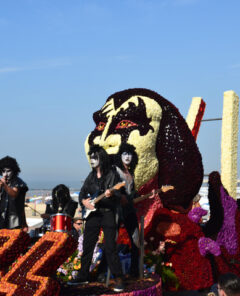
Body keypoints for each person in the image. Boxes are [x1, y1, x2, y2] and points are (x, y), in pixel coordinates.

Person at [67, 145, 124, 292]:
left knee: (110, 247)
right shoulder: (91, 176)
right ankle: (83, 275)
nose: (92, 160)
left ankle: (118, 278)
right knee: (88, 245)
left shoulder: (112, 174)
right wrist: (84, 202)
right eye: (91, 157)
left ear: (101, 158)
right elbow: (82, 194)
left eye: (95, 157)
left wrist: (112, 194)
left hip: (107, 213)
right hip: (92, 215)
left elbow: (119, 195)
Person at [114, 143, 140, 278]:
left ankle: (134, 271)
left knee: (136, 239)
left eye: (130, 154)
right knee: (112, 241)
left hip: (129, 210)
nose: (127, 156)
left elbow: (132, 194)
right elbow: (111, 189)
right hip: (117, 210)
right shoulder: (115, 170)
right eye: (124, 153)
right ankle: (103, 272)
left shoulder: (131, 173)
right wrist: (120, 196)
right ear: (120, 156)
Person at [0, 156, 28, 230]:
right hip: (2, 220)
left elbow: (14, 194)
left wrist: (4, 185)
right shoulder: (2, 183)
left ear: (14, 170)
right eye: (3, 171)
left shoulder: (18, 182)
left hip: (15, 222)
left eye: (8, 171)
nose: (5, 174)